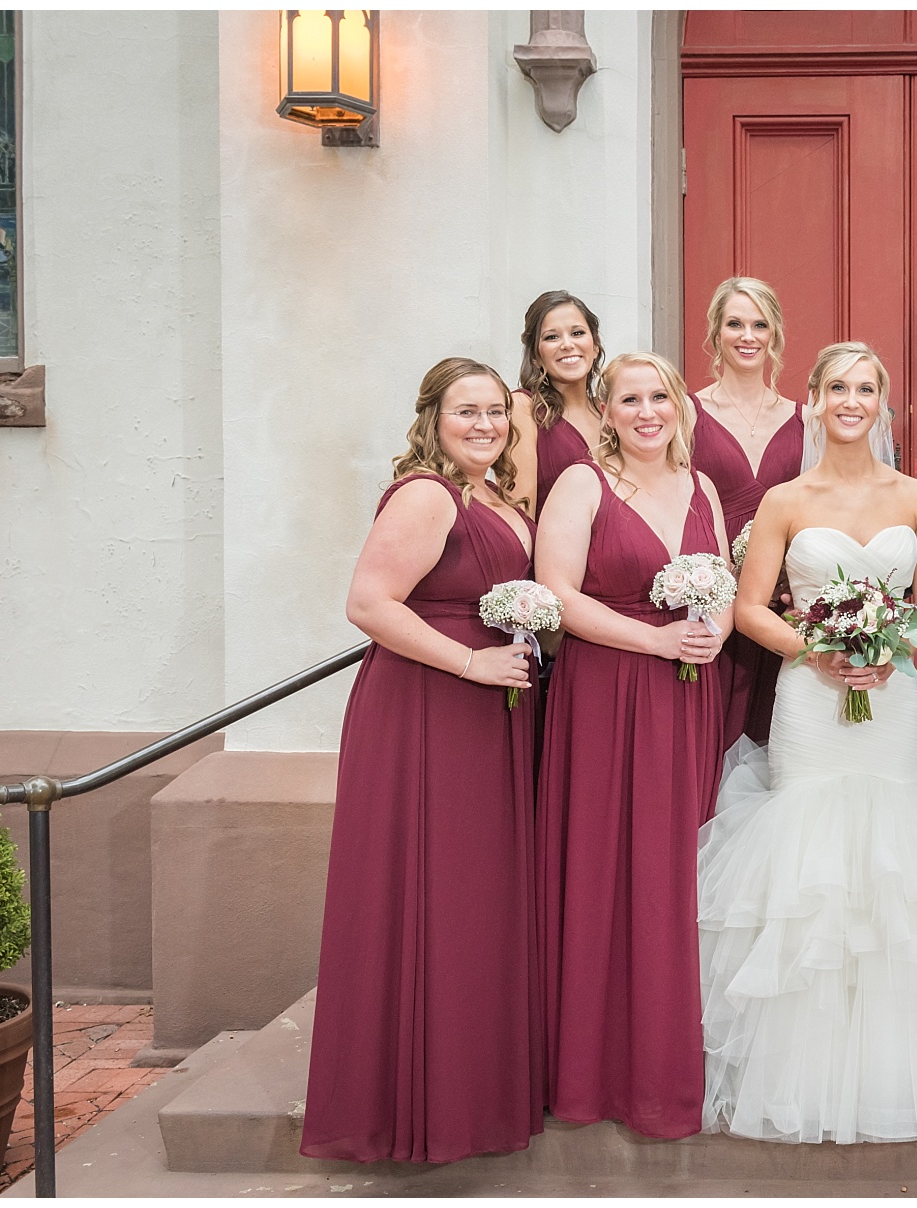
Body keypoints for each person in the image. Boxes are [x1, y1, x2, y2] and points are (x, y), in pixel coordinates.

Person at [698, 342, 917, 1145]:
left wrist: (889, 645)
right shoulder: (784, 500)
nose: (851, 401)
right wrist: (814, 650)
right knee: (811, 871)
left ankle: (902, 1073)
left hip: (888, 701)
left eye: (867, 388)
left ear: (882, 403)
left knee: (893, 865)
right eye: (837, 388)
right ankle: (798, 1073)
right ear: (812, 400)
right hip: (811, 703)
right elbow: (752, 609)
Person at [302, 358, 541, 1163]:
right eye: (466, 412)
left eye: (496, 413)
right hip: (427, 712)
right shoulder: (426, 495)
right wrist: (473, 664)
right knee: (429, 893)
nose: (484, 425)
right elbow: (368, 604)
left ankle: (469, 1091)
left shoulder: (497, 496)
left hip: (487, 713)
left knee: (471, 902)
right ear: (433, 420)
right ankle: (406, 1107)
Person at [535, 350, 731, 1140]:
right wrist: (654, 645)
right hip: (609, 697)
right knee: (610, 870)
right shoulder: (582, 483)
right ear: (607, 412)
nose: (647, 412)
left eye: (660, 397)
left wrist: (711, 630)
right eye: (630, 400)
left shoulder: (703, 486)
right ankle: (597, 1070)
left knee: (676, 871)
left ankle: (668, 1058)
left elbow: (716, 578)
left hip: (689, 699)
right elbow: (556, 594)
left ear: (679, 405)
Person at [687, 276, 805, 749]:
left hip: (784, 601)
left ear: (775, 333)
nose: (747, 336)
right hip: (711, 600)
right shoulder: (685, 413)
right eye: (735, 324)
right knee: (715, 738)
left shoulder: (807, 417)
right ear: (716, 333)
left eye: (759, 324)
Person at [510, 290, 606, 516]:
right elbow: (520, 514)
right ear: (535, 356)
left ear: (595, 347)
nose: (567, 344)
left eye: (577, 333)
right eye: (552, 337)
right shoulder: (524, 407)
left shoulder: (609, 411)